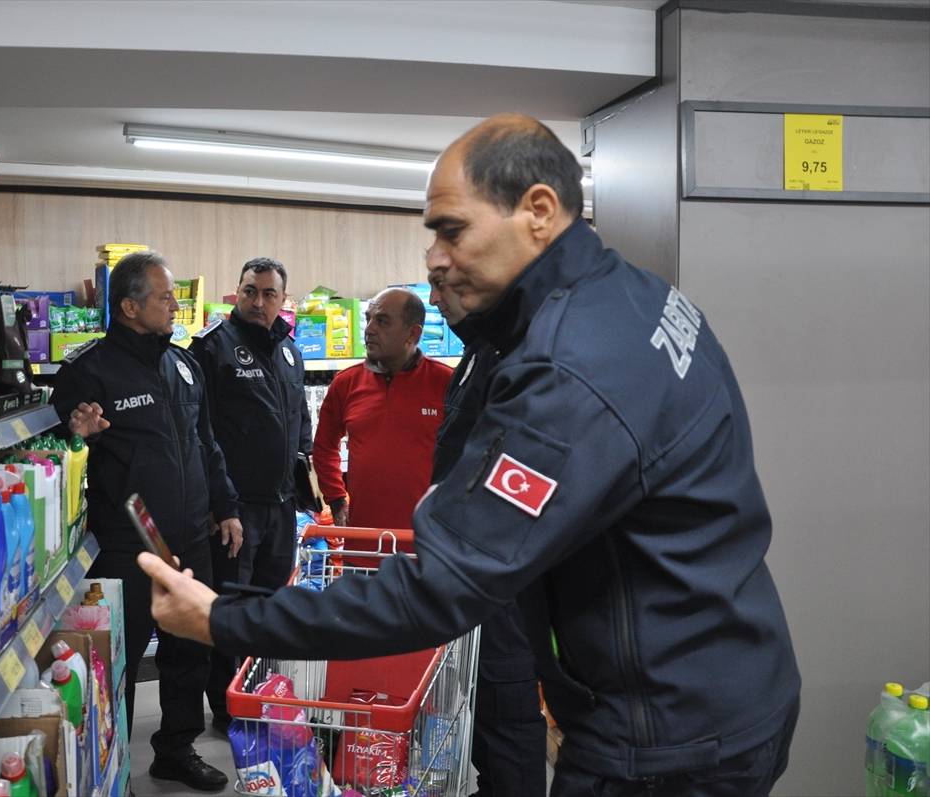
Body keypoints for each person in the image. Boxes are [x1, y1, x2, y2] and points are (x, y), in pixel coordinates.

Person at [139, 115, 802, 796]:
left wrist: (224, 617)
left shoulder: (570, 369)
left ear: (538, 212)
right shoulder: (637, 297)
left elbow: (441, 588)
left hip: (667, 739)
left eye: (451, 229)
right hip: (724, 677)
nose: (433, 257)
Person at [50, 249, 241, 793]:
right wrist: (74, 435)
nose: (175, 304)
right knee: (122, 662)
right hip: (126, 540)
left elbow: (207, 443)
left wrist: (224, 506)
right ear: (130, 306)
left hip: (187, 537)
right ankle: (111, 771)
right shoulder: (86, 371)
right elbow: (55, 453)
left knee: (189, 649)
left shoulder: (184, 364)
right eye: (165, 296)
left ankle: (175, 752)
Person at [429, 273, 546, 797]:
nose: (433, 299)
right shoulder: (478, 351)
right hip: (467, 568)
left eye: (441, 285)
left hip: (500, 573)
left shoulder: (519, 356)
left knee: (507, 704)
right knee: (474, 697)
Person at [187, 256, 313, 734]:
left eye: (268, 295)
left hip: (281, 508)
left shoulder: (289, 351)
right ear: (235, 293)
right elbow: (202, 435)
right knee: (232, 611)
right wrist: (223, 506)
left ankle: (262, 696)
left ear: (283, 301)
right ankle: (228, 708)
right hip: (236, 512)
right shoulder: (212, 349)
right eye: (249, 292)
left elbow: (300, 418)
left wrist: (305, 481)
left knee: (270, 609)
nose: (258, 302)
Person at [312, 286, 453, 535]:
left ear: (413, 334)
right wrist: (336, 500)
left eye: (382, 321)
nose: (368, 330)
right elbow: (324, 447)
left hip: (425, 544)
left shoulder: (447, 383)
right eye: (368, 319)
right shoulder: (345, 383)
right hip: (362, 542)